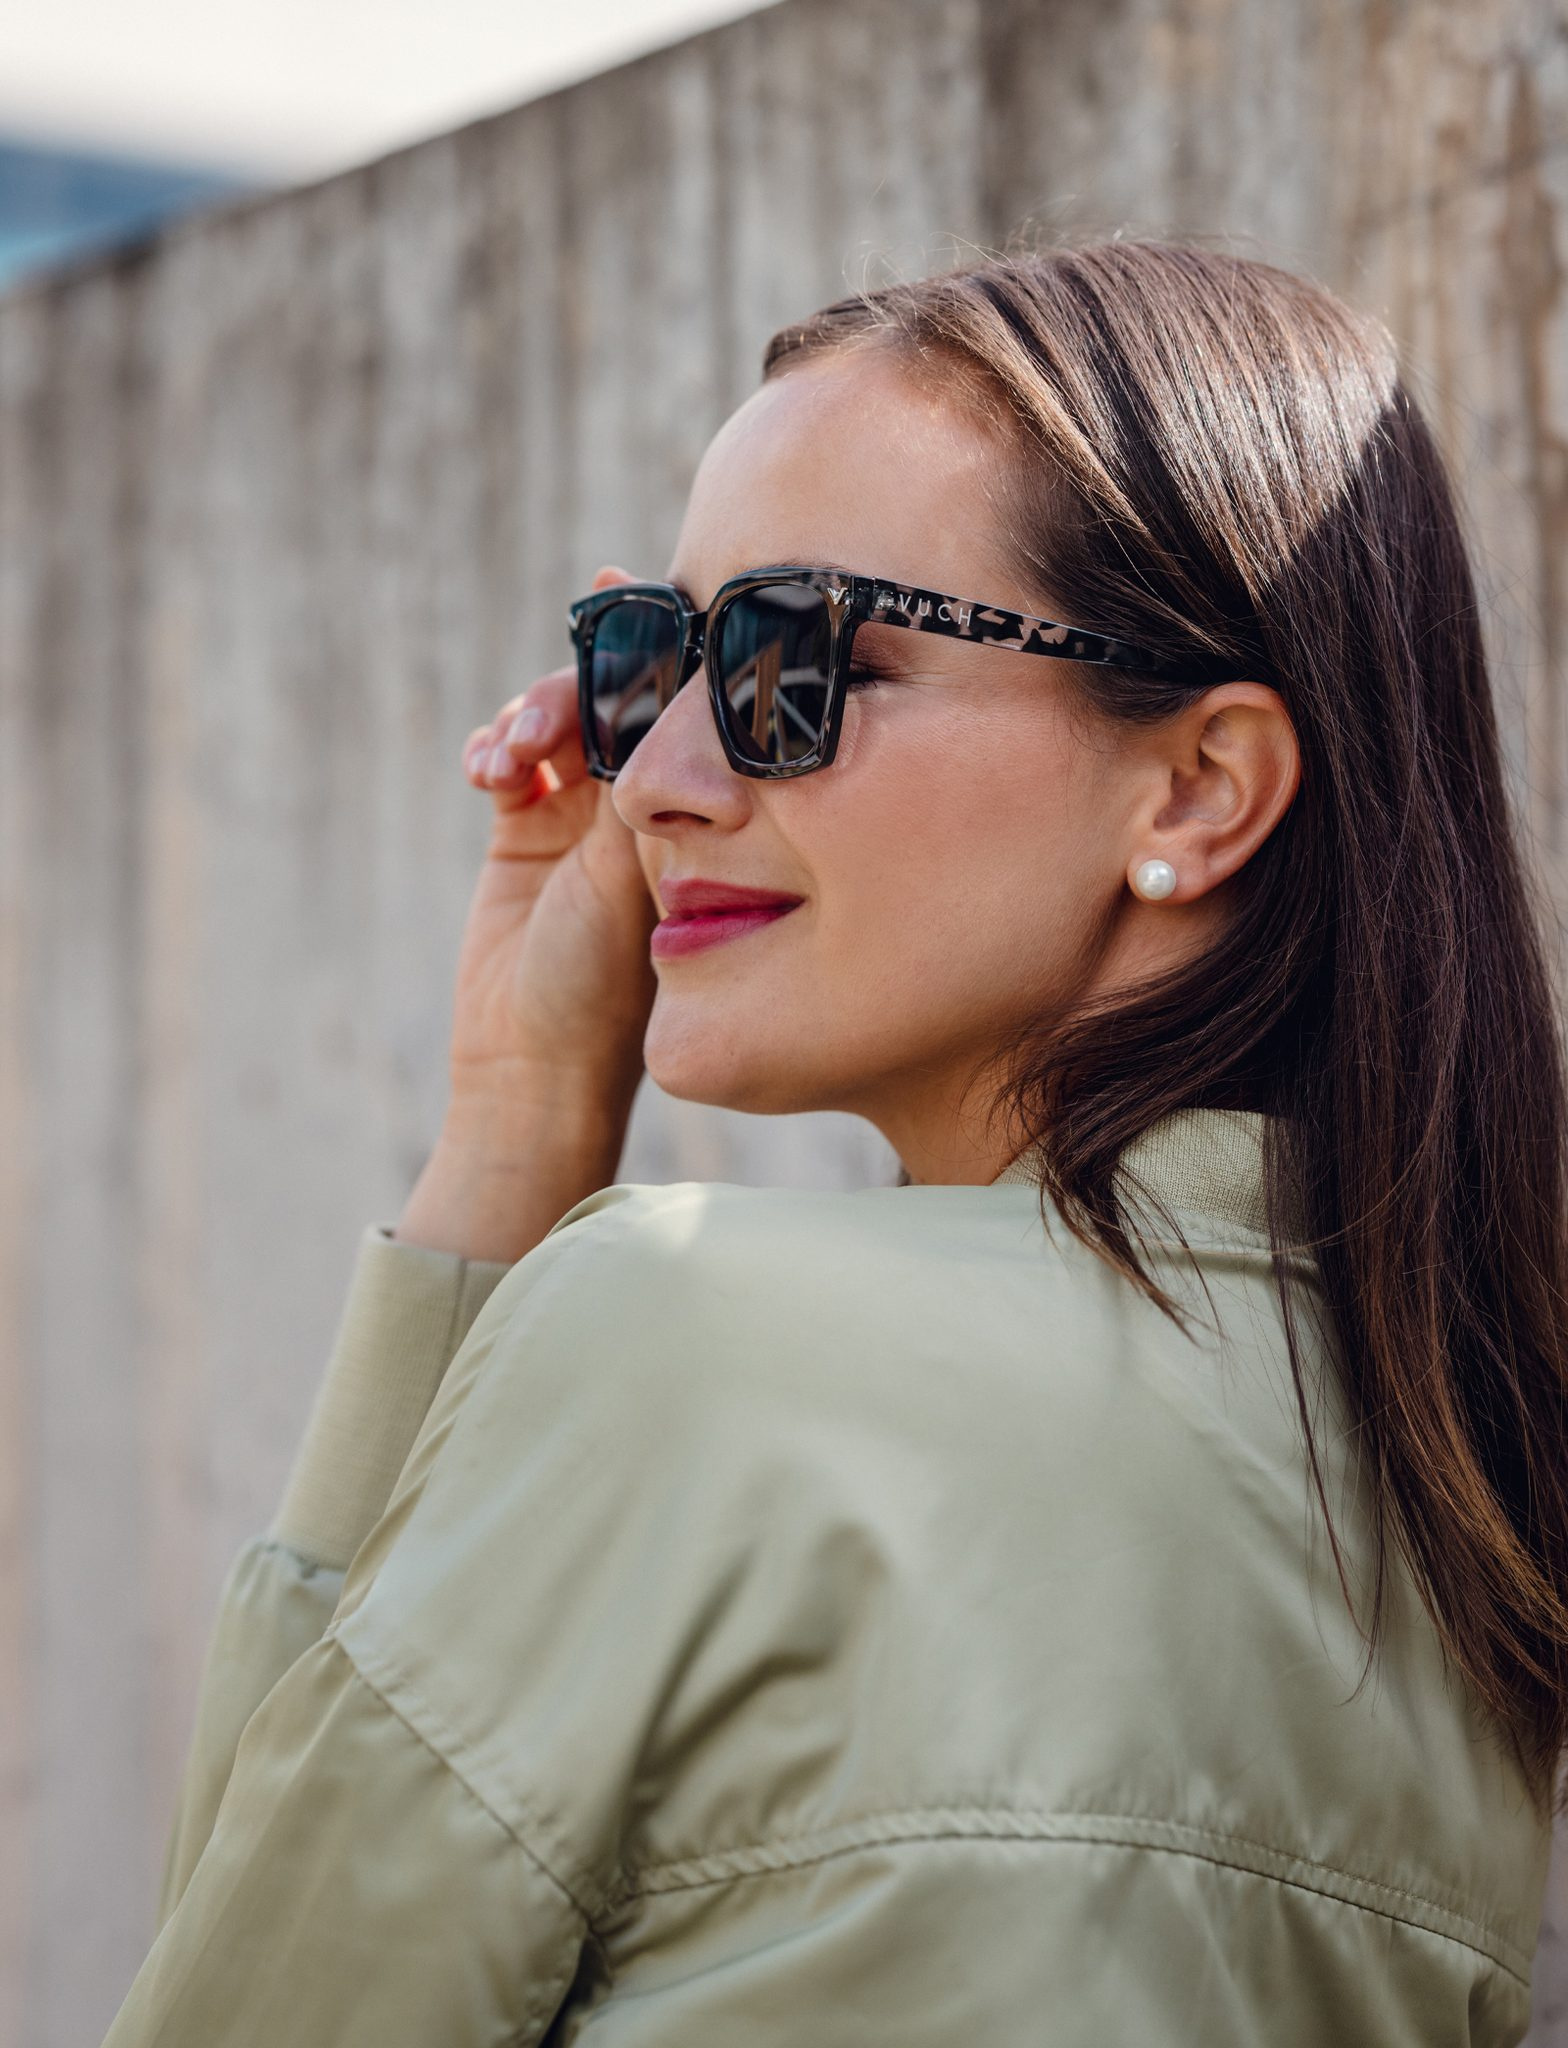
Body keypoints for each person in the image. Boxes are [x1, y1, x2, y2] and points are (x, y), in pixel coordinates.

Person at [101, 237, 1566, 2046]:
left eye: (796, 661)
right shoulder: (1453, 1511)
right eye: (653, 658)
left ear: (1200, 787)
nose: (654, 781)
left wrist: (510, 1144)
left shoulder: (682, 1338)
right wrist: (525, 1093)